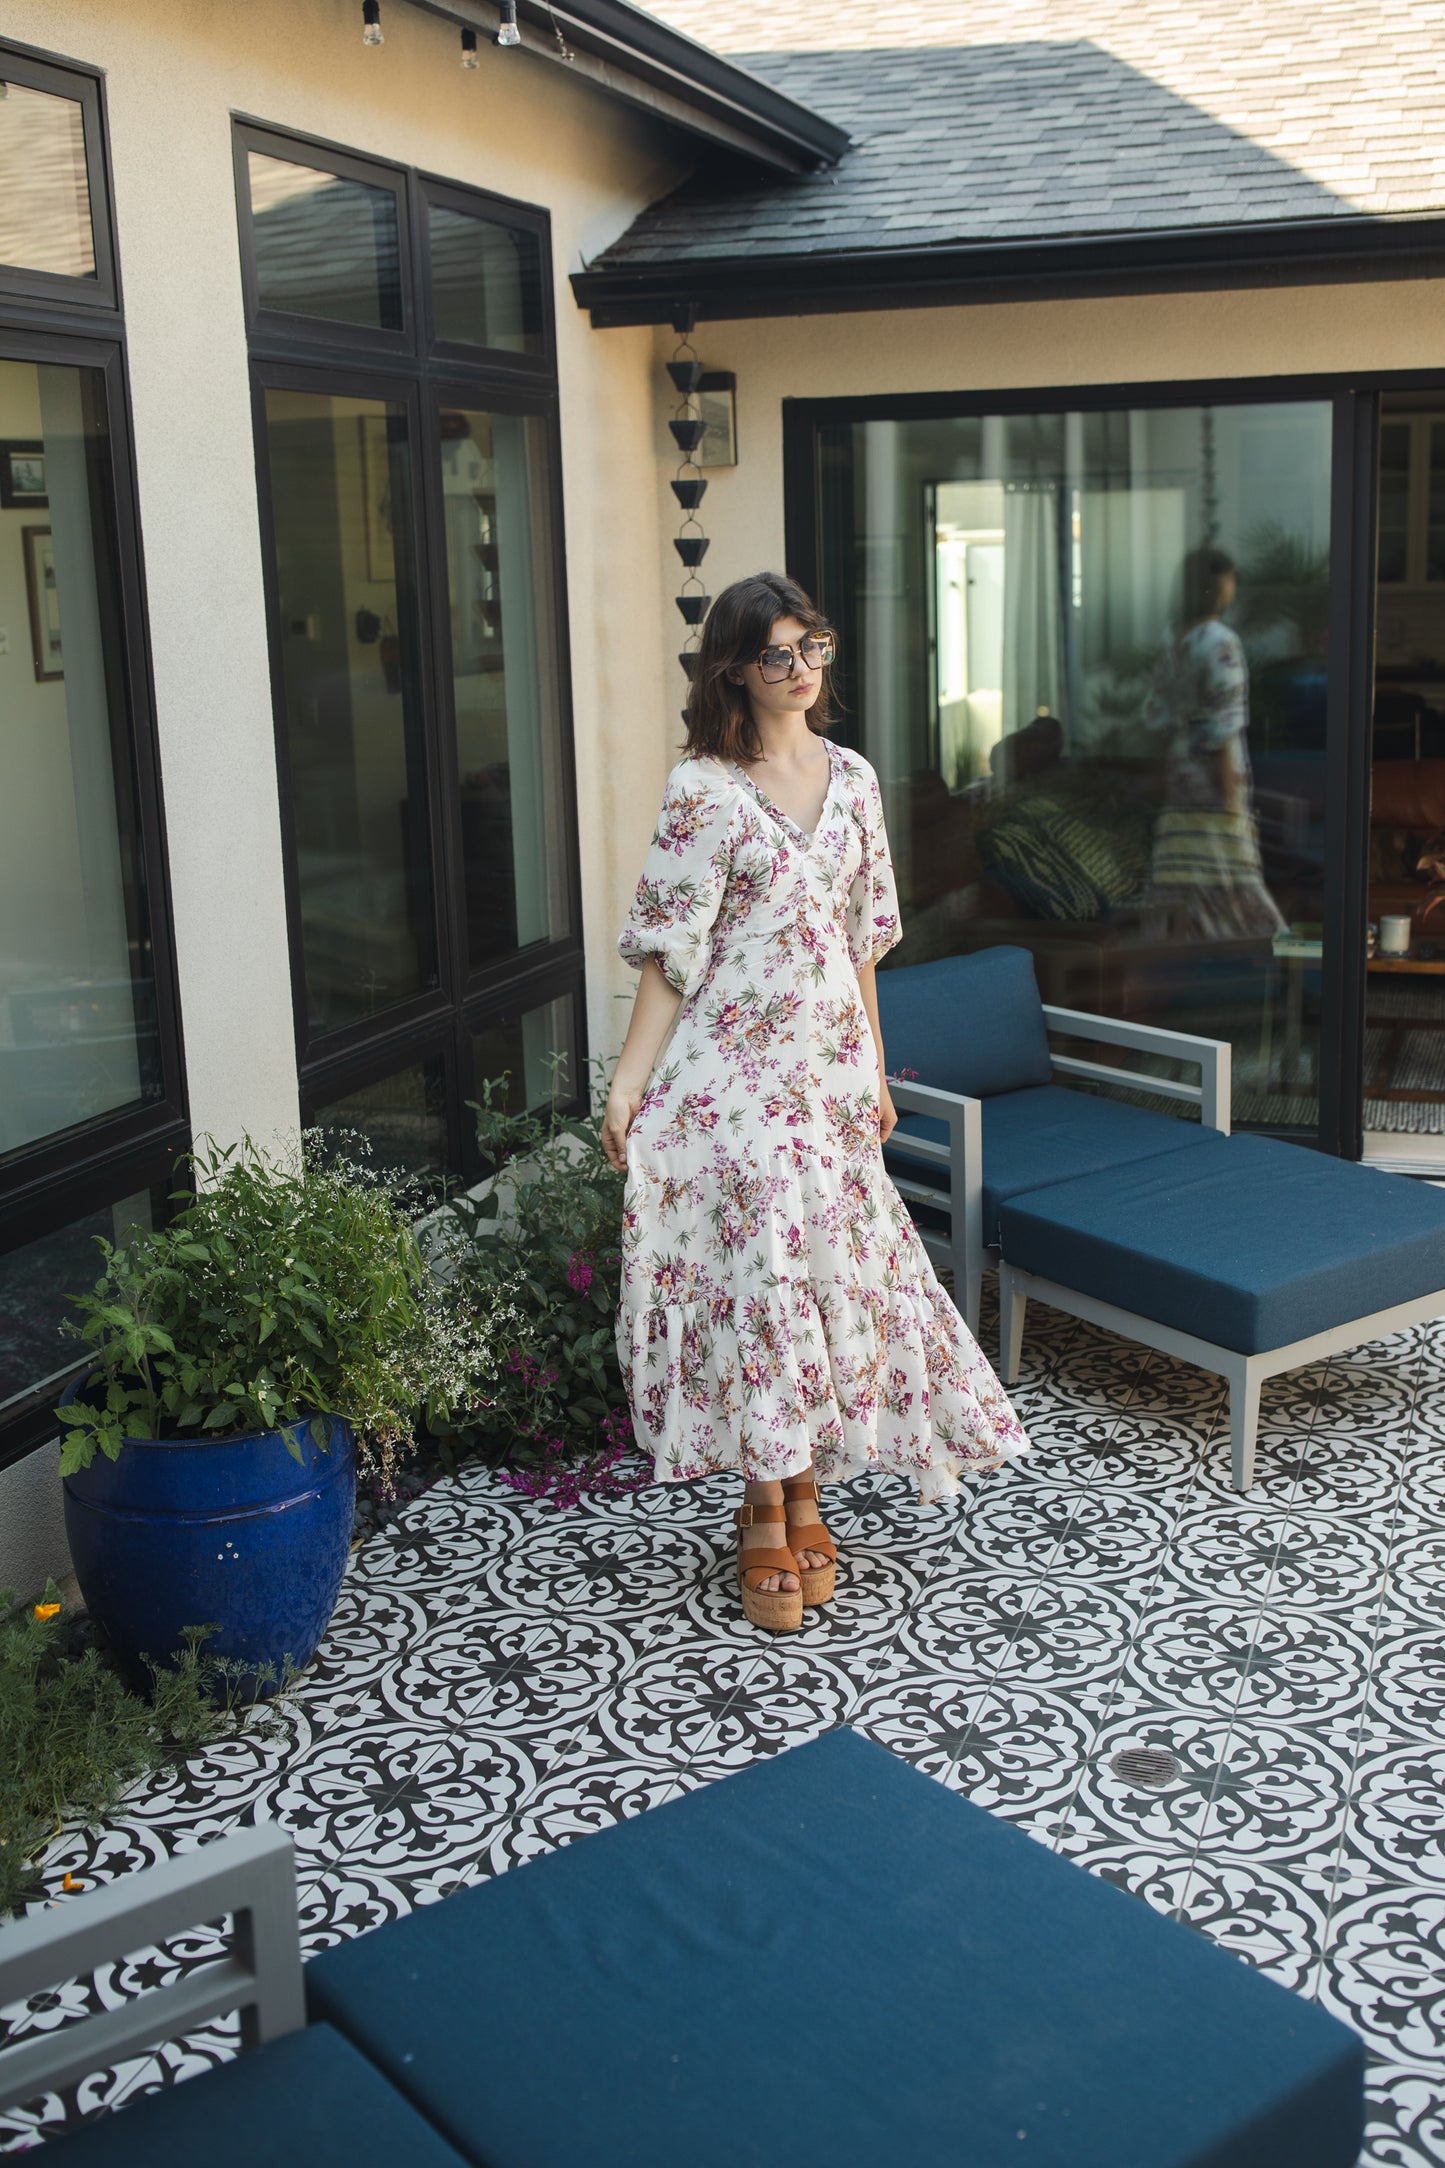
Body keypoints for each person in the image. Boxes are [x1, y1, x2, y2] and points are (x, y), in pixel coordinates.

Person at [602, 571, 1028, 1633]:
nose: (801, 671)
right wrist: (625, 1079)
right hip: (728, 1078)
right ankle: (764, 1499)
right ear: (735, 671)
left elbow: (863, 941)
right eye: (777, 654)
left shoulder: (853, 777)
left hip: (825, 1072)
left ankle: (803, 1488)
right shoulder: (700, 786)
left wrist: (876, 1070)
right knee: (762, 1280)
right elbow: (669, 951)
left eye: (814, 646)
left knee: (828, 1274)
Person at [1143, 547, 1285, 942]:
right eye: (1230, 577)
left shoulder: (1172, 638)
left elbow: (1156, 715)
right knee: (1238, 875)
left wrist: (1161, 776)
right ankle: (1293, 963)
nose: (1234, 585)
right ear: (1216, 584)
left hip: (1179, 774)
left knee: (1183, 876)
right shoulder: (1221, 641)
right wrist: (1231, 793)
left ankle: (1179, 953)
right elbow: (1225, 721)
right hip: (1212, 774)